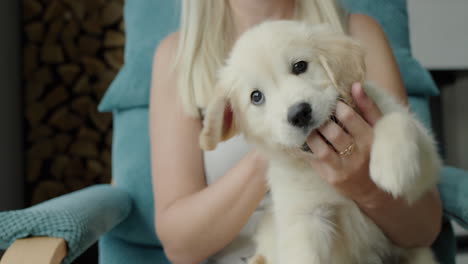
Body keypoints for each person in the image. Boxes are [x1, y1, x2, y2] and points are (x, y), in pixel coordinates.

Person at [149, 1, 443, 263]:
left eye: (300, 66)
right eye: (256, 97)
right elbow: (179, 247)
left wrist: (362, 185)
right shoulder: (177, 58)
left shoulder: (354, 33)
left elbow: (425, 228)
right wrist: (272, 153)